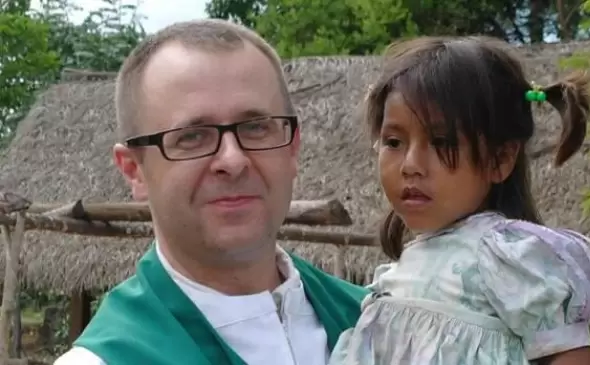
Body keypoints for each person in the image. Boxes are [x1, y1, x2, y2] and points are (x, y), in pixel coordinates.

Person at [54, 19, 368, 365]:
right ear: (134, 170)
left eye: (255, 127)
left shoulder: (379, 324)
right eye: (192, 136)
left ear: (292, 148)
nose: (233, 160)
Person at [327, 36, 590, 365]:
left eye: (440, 142)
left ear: (500, 159)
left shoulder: (509, 258)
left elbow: (570, 355)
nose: (410, 164)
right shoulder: (394, 277)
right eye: (394, 141)